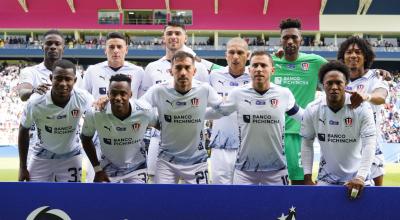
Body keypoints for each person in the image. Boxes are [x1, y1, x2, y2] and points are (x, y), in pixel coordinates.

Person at [207, 51, 303, 185]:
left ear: (272, 70)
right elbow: (218, 112)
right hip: (244, 171)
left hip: (277, 170)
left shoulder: (284, 94)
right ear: (249, 69)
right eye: (255, 65)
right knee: (242, 206)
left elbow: (302, 117)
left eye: (263, 65)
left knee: (278, 206)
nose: (259, 69)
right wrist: (196, 113)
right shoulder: (238, 94)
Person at [140, 51, 223, 184]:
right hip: (166, 160)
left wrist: (203, 114)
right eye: (178, 68)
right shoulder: (159, 90)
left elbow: (222, 108)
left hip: (197, 160)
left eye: (187, 67)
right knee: (163, 202)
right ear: (170, 71)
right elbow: (139, 108)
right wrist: (154, 120)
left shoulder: (204, 89)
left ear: (194, 71)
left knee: (199, 203)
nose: (183, 72)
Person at [141, 22, 210, 179]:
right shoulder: (152, 67)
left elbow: (204, 100)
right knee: (160, 193)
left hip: (192, 143)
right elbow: (144, 104)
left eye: (177, 33)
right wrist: (155, 122)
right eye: (169, 33)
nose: (173, 37)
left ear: (185, 38)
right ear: (163, 38)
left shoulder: (200, 68)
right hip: (159, 138)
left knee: (194, 197)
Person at [301, 61, 376, 199]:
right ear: (322, 85)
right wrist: (307, 176)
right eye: (329, 83)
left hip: (359, 179)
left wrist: (360, 177)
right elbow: (306, 143)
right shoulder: (312, 109)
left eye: (339, 83)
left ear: (346, 84)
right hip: (326, 180)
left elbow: (369, 144)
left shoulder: (362, 108)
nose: (334, 87)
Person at [81, 32, 145, 182]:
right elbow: (84, 101)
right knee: (96, 183)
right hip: (101, 133)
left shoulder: (138, 72)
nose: (115, 50)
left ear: (126, 50)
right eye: (111, 47)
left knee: (135, 190)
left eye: (119, 47)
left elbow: (143, 103)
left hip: (130, 133)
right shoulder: (92, 70)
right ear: (105, 50)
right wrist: (98, 104)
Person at [270, 18, 327, 185]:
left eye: (294, 37)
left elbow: (340, 75)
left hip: (298, 134)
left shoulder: (315, 62)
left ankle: (297, 213)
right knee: (271, 184)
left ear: (301, 40)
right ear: (280, 40)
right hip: (272, 133)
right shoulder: (271, 62)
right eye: (286, 37)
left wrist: (374, 72)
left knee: (300, 183)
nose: (290, 41)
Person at [18, 59, 93, 182]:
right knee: (35, 198)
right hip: (41, 155)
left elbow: (99, 113)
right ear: (51, 78)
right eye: (58, 78)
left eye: (68, 79)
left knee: (71, 198)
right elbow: (23, 129)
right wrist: (22, 167)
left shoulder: (83, 98)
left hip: (71, 156)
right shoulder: (36, 101)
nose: (63, 83)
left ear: (75, 81)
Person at [80, 74, 156, 183]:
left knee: (136, 200)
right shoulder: (95, 113)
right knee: (103, 200)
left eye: (123, 93)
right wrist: (97, 169)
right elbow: (85, 139)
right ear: (108, 94)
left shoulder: (145, 111)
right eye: (114, 93)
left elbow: (161, 127)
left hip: (137, 167)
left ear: (130, 94)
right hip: (107, 168)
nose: (118, 97)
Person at [337, 36, 389, 186]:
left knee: (377, 193)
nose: (353, 55)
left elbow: (381, 96)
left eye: (358, 52)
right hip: (345, 144)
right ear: (343, 57)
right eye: (349, 52)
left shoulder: (375, 77)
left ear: (365, 56)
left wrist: (367, 96)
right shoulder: (338, 80)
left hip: (369, 143)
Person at [17, 30, 68, 167]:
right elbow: (22, 93)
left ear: (63, 47)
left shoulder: (73, 75)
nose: (53, 47)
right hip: (37, 142)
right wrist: (33, 90)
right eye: (49, 43)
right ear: (42, 47)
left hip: (66, 142)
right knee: (34, 188)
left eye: (57, 44)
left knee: (66, 189)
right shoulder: (30, 72)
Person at [208, 37, 251, 184]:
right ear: (225, 55)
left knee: (245, 195)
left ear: (248, 55)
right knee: (220, 193)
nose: (235, 57)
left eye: (240, 52)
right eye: (231, 52)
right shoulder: (214, 76)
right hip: (220, 145)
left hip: (248, 146)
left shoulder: (255, 77)